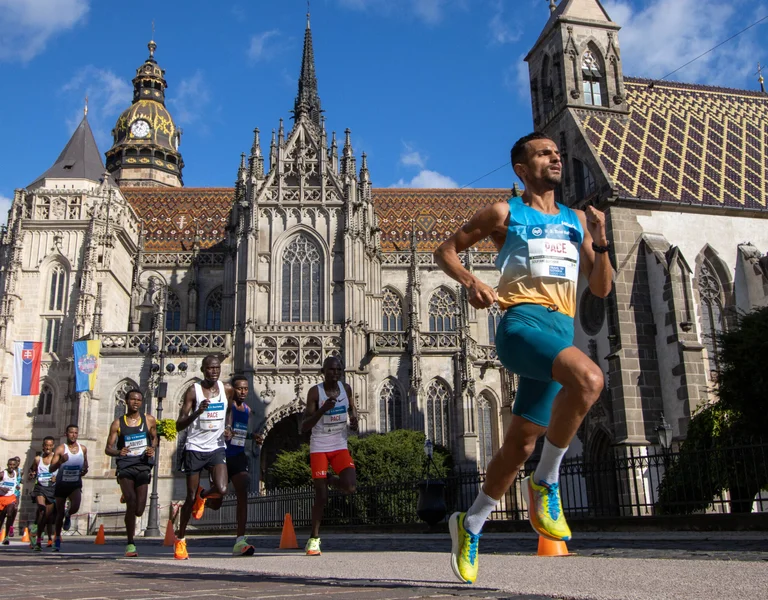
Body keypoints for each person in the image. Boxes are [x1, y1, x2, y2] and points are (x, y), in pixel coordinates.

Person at [435, 132, 613, 584]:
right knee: (590, 380)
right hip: (521, 327)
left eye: (556, 153)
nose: (555, 158)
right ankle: (546, 483)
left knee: (520, 446)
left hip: (559, 333)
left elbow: (601, 289)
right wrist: (472, 282)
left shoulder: (576, 220)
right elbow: (446, 251)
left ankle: (470, 523)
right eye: (543, 154)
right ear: (521, 168)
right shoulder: (504, 212)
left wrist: (601, 239)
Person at [173, 355, 233, 560]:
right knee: (188, 498)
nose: (213, 371)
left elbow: (230, 409)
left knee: (222, 489)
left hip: (216, 447)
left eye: (216, 368)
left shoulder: (226, 390)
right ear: (203, 370)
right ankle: (180, 539)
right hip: (195, 448)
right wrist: (197, 413)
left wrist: (229, 428)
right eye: (209, 368)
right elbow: (179, 425)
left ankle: (203, 496)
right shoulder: (194, 391)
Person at [300, 356, 358, 556]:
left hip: (339, 444)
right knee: (321, 496)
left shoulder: (346, 388)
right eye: (332, 369)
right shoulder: (315, 392)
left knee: (350, 486)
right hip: (319, 446)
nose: (336, 373)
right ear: (323, 371)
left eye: (339, 369)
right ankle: (314, 539)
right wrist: (322, 410)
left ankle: (330, 479)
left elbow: (351, 407)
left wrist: (354, 419)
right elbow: (304, 426)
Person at [205, 374, 264, 556]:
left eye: (246, 388)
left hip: (237, 455)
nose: (243, 392)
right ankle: (202, 497)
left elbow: (239, 432)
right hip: (220, 454)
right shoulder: (225, 406)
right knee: (217, 501)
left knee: (243, 490)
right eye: (240, 388)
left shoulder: (246, 410)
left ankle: (240, 540)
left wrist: (252, 436)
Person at [105, 389, 158, 558]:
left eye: (139, 400)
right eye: (133, 399)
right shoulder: (118, 423)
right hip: (126, 466)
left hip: (143, 466)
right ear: (126, 401)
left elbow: (155, 438)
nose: (136, 402)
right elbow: (108, 449)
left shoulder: (149, 420)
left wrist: (152, 448)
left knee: (139, 509)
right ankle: (130, 543)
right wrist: (118, 452)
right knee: (132, 502)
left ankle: (127, 496)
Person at [49, 424, 89, 552]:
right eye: (71, 433)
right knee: (59, 513)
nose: (73, 435)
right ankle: (57, 539)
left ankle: (69, 514)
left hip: (75, 483)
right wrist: (60, 461)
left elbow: (85, 464)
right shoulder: (61, 449)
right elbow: (51, 468)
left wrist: (84, 470)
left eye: (76, 433)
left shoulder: (83, 449)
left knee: (76, 506)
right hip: (62, 483)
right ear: (66, 434)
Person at [28, 439, 57, 551]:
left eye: (50, 446)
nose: (48, 448)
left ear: (53, 446)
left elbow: (62, 470)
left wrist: (56, 478)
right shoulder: (37, 459)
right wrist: (32, 474)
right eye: (46, 445)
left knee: (45, 517)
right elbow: (32, 470)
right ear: (43, 446)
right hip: (40, 488)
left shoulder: (56, 458)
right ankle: (38, 541)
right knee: (42, 509)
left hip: (51, 489)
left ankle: (37, 534)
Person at [0, 458, 19, 544]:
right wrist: (1, 488)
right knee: (1, 518)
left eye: (13, 465)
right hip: (2, 498)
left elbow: (15, 483)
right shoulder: (2, 474)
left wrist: (17, 486)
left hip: (11, 497)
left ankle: (6, 536)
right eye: (10, 465)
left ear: (16, 466)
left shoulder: (16, 473)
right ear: (7, 465)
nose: (11, 466)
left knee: (10, 513)